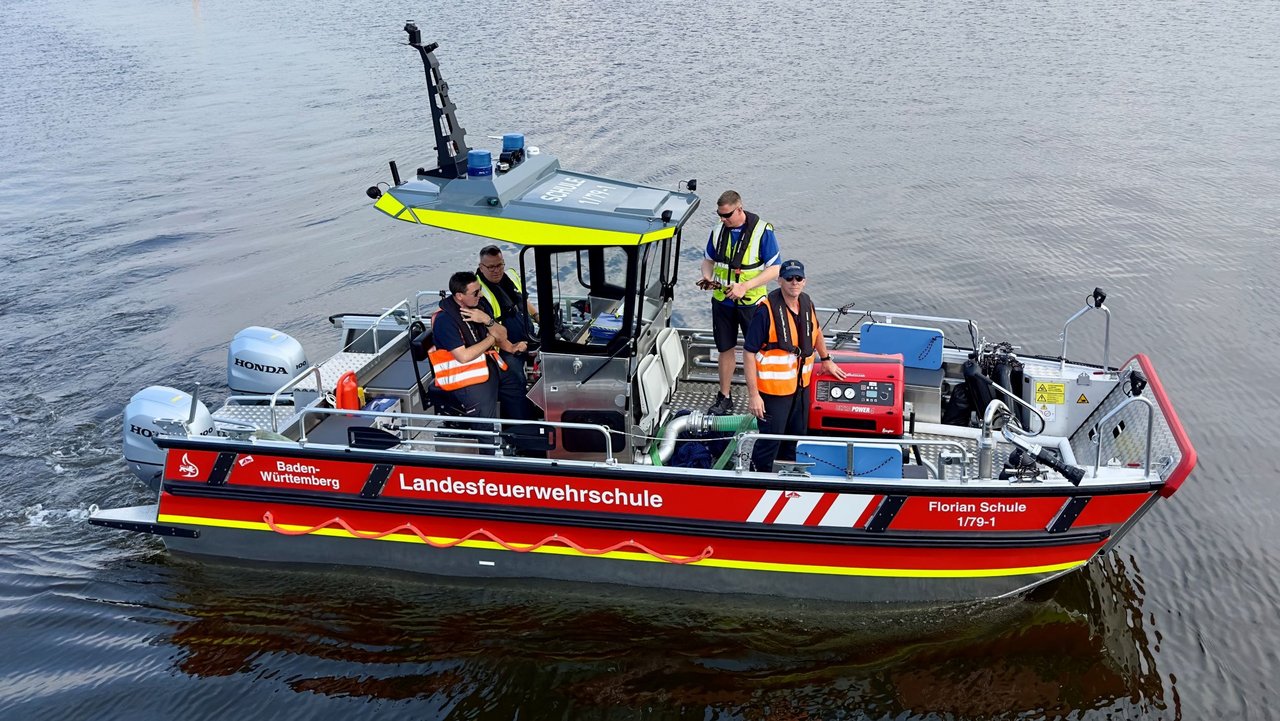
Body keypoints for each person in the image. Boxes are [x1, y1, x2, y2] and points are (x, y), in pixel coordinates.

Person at [742, 260, 847, 473]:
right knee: (769, 442)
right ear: (780, 281)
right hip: (773, 392)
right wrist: (754, 395)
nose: (794, 283)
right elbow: (748, 352)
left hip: (801, 388)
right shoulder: (766, 311)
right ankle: (758, 480)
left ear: (804, 282)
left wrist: (826, 359)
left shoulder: (807, 304)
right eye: (789, 278)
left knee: (796, 438)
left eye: (798, 278)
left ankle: (789, 480)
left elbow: (815, 332)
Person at [699, 190, 781, 415]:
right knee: (725, 348)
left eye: (727, 215)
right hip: (722, 302)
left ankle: (764, 397)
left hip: (752, 303)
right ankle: (724, 398)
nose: (723, 220)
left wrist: (745, 286)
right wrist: (707, 276)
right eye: (720, 215)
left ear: (739, 209)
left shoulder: (762, 232)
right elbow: (708, 260)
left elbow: (774, 269)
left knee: (757, 350)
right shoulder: (717, 230)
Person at [429, 272, 510, 439]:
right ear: (459, 296)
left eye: (479, 290)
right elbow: (463, 357)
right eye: (475, 293)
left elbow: (503, 335)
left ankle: (520, 438)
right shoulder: (445, 321)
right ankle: (491, 457)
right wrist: (491, 338)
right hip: (464, 378)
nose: (480, 295)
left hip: (486, 366)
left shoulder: (479, 307)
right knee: (485, 421)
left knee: (516, 383)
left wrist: (487, 320)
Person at [475, 244, 537, 419]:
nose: (496, 270)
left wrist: (539, 317)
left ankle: (544, 409)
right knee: (514, 379)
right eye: (491, 267)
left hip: (528, 336)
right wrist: (511, 347)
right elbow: (487, 330)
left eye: (499, 265)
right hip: (503, 348)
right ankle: (521, 426)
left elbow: (524, 301)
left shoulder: (509, 275)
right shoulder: (477, 291)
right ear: (481, 267)